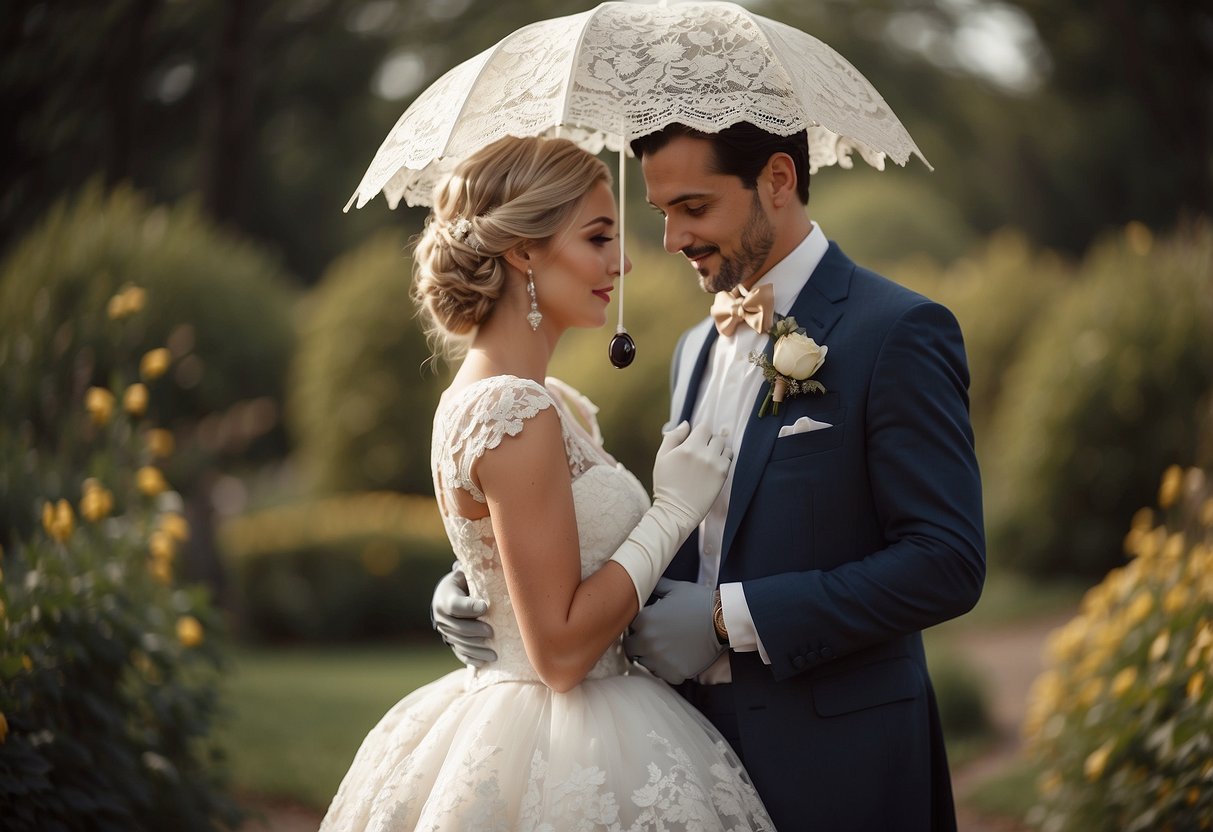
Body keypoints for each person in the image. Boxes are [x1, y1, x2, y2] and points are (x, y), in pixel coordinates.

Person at [432, 121, 986, 831]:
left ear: (777, 182)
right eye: (662, 215)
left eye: (694, 209)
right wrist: (486, 587)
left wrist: (731, 619)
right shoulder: (693, 350)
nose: (669, 242)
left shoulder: (896, 331)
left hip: (837, 762)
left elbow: (946, 562)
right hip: (682, 756)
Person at [319, 134, 774, 831]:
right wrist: (671, 511)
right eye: (598, 237)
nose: (620, 261)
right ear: (523, 251)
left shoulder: (545, 402)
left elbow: (519, 554)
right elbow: (559, 654)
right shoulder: (514, 410)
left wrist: (470, 582)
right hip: (557, 731)